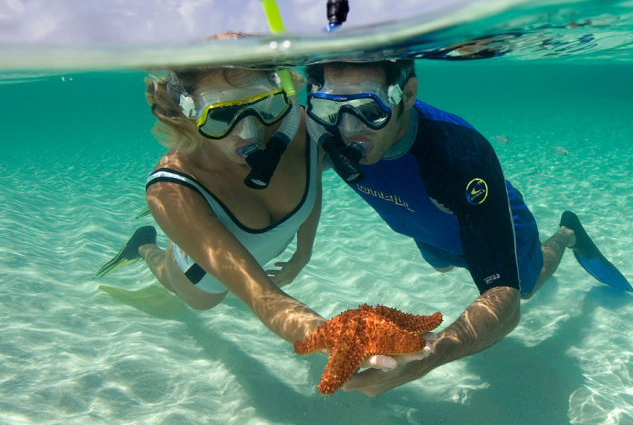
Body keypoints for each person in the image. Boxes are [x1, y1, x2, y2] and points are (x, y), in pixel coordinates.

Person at [304, 59, 632, 396]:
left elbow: (504, 300)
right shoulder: (321, 130)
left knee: (524, 288)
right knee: (444, 266)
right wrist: (301, 252)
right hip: (426, 225)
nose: (347, 129)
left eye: (368, 110)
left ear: (408, 93)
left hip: (487, 218)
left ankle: (567, 233)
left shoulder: (459, 157)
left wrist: (426, 360)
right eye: (331, 109)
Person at [96, 65, 428, 375]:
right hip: (200, 279)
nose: (249, 131)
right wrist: (337, 337)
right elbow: (261, 295)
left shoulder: (299, 127)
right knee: (190, 294)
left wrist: (303, 253)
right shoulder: (171, 190)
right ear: (189, 111)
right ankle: (144, 247)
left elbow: (311, 182)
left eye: (264, 105)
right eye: (222, 115)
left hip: (257, 251)